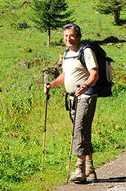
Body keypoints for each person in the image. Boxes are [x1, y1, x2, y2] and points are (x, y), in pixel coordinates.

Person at [44, 23, 100, 184]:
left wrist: (85, 86)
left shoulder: (86, 51)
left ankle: (79, 168)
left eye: (71, 36)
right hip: (72, 99)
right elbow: (66, 75)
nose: (68, 39)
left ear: (78, 36)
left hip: (86, 96)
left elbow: (94, 73)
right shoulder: (67, 53)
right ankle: (90, 170)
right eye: (65, 36)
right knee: (83, 132)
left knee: (79, 130)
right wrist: (51, 85)